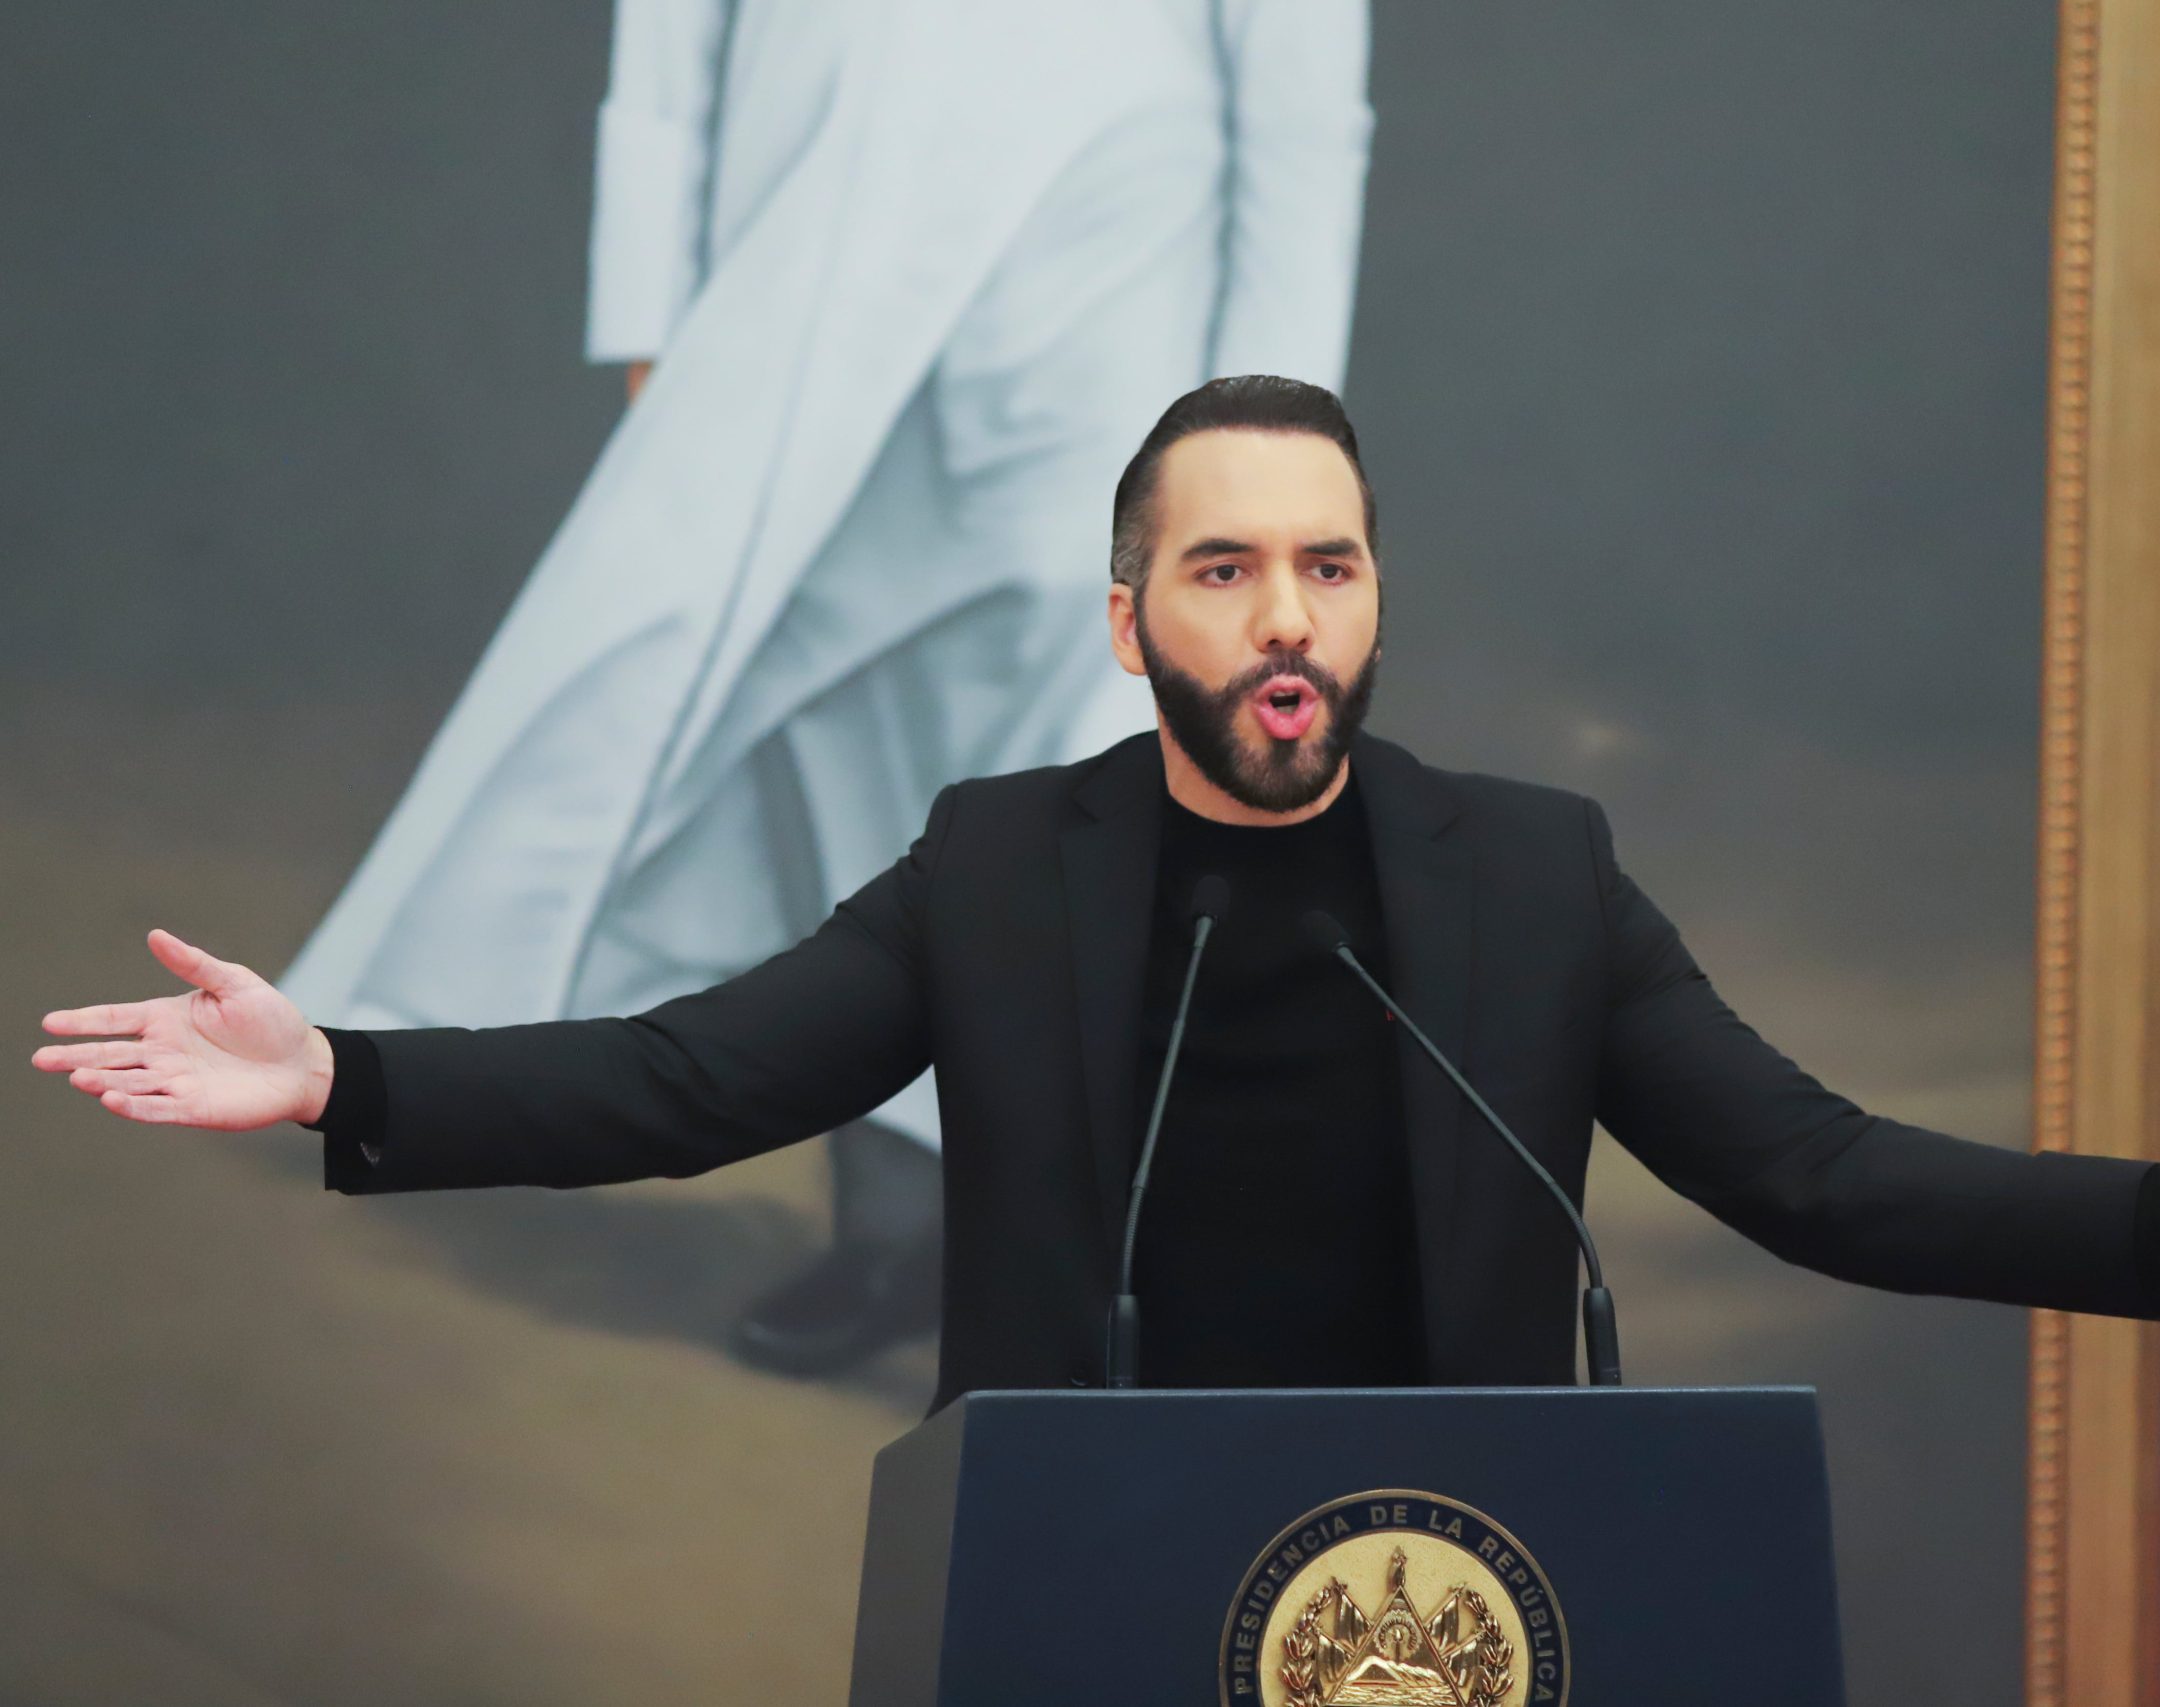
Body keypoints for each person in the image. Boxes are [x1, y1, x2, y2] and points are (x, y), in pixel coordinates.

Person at [35, 378, 2160, 1411]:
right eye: (1222, 569)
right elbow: (697, 1075)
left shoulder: (1526, 878)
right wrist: (337, 1068)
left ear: (1373, 598)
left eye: (1324, 562)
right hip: (1078, 1582)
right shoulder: (1004, 864)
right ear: (1131, 621)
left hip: (1447, 1602)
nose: (1284, 614)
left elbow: (1803, 1165)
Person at [267, 0, 1375, 1375]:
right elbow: (674, 33)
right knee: (850, 761)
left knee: (1102, 775)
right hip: (810, 256)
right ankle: (897, 1231)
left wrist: (1272, 427)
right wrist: (652, 305)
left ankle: (1092, 1265)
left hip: (1109, 277)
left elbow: (1302, 104)